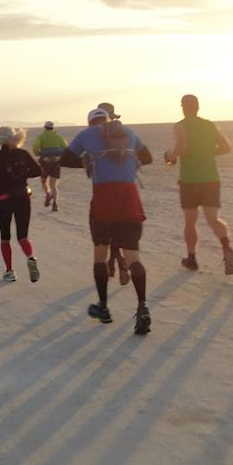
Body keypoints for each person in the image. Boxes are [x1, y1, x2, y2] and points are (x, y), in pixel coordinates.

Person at [60, 106, 152, 333]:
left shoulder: (86, 134)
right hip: (130, 197)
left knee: (100, 256)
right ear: (110, 120)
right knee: (133, 256)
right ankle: (143, 307)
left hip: (103, 199)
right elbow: (147, 157)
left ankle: (103, 307)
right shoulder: (128, 132)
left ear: (90, 122)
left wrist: (89, 160)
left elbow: (65, 159)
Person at [164, 94, 233, 275]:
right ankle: (226, 247)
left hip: (190, 180)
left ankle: (192, 258)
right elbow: (226, 147)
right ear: (198, 107)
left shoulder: (180, 125)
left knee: (190, 221)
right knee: (213, 218)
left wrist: (170, 156)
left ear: (183, 107)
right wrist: (208, 152)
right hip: (211, 178)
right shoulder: (209, 124)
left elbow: (182, 145)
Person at [0, 126, 42, 284]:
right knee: (23, 236)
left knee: (5, 238)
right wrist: (24, 173)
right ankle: (30, 257)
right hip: (23, 197)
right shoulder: (23, 154)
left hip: (4, 199)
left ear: (0, 139)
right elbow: (38, 171)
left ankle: (10, 271)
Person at [33, 120, 67, 210]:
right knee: (54, 184)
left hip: (45, 162)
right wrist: (59, 156)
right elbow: (65, 148)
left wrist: (39, 154)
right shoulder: (59, 137)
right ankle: (55, 204)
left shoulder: (41, 137)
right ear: (53, 128)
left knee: (43, 181)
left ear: (45, 128)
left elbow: (35, 147)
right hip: (56, 162)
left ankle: (48, 193)